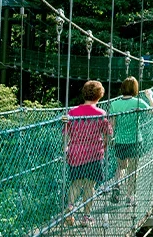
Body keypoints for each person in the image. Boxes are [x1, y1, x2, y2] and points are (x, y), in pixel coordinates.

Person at [64, 80, 112, 227]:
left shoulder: (71, 113)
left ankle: (70, 209)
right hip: (94, 154)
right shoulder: (101, 113)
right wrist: (105, 145)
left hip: (75, 154)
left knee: (76, 184)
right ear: (99, 95)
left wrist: (66, 148)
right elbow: (108, 135)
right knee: (90, 186)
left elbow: (66, 135)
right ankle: (86, 217)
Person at [108, 76, 153, 204]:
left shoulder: (114, 104)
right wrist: (150, 96)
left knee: (120, 166)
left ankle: (116, 186)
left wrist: (111, 138)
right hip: (135, 140)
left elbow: (112, 124)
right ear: (135, 89)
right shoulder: (138, 102)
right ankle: (130, 196)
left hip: (120, 140)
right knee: (133, 169)